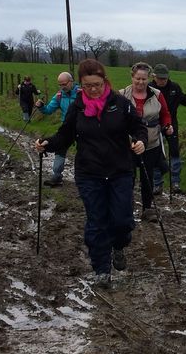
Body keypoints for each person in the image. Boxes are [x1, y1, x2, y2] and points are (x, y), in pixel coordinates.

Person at [35, 59, 146, 289]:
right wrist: (46, 143)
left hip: (120, 171)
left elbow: (138, 128)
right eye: (87, 86)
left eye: (97, 84)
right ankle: (101, 270)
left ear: (104, 81)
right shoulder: (77, 107)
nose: (93, 90)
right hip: (89, 173)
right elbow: (64, 135)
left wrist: (141, 142)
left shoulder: (120, 103)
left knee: (122, 221)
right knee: (97, 222)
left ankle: (119, 245)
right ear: (81, 85)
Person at [120, 62, 173, 217]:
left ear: (149, 78)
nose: (141, 82)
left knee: (147, 177)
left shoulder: (157, 94)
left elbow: (165, 114)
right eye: (137, 79)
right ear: (132, 77)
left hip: (151, 143)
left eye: (144, 79)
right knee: (127, 177)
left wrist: (167, 125)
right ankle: (126, 208)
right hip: (127, 145)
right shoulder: (122, 95)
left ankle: (147, 209)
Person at [149, 63, 186, 194]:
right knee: (156, 154)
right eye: (160, 78)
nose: (162, 81)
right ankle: (157, 184)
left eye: (164, 78)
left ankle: (175, 182)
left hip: (171, 125)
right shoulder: (149, 88)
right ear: (154, 76)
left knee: (174, 152)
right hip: (153, 126)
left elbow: (183, 100)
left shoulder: (174, 88)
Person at [35, 72, 80, 187]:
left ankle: (85, 181)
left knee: (84, 154)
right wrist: (41, 107)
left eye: (64, 84)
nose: (62, 87)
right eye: (60, 85)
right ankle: (57, 177)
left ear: (71, 82)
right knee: (60, 149)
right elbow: (49, 110)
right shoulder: (60, 96)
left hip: (82, 128)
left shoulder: (81, 93)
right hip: (66, 129)